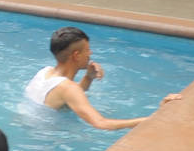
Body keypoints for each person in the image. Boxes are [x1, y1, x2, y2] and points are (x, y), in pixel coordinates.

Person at [24, 26, 180, 130]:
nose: (90, 54)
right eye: (87, 50)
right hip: (49, 135)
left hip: (30, 125)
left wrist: (88, 78)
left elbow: (62, 97)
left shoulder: (45, 72)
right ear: (76, 55)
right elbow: (101, 124)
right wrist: (154, 118)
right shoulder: (68, 88)